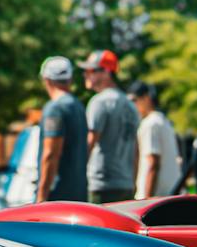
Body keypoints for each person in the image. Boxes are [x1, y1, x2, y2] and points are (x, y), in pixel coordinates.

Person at [81, 49, 138, 204]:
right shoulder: (130, 105)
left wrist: (75, 175)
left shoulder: (99, 101)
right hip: (126, 185)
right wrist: (133, 182)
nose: (85, 74)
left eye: (91, 70)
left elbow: (90, 142)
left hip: (102, 185)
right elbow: (136, 150)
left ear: (106, 72)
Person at [34, 56, 88, 203]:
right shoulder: (78, 106)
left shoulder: (54, 109)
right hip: (79, 194)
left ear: (46, 80)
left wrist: (41, 196)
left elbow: (51, 154)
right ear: (70, 80)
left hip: (57, 197)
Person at [129, 82, 181, 198]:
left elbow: (153, 164)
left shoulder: (150, 124)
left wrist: (147, 200)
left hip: (157, 199)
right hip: (170, 196)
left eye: (134, 100)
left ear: (147, 98)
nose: (132, 105)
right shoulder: (164, 121)